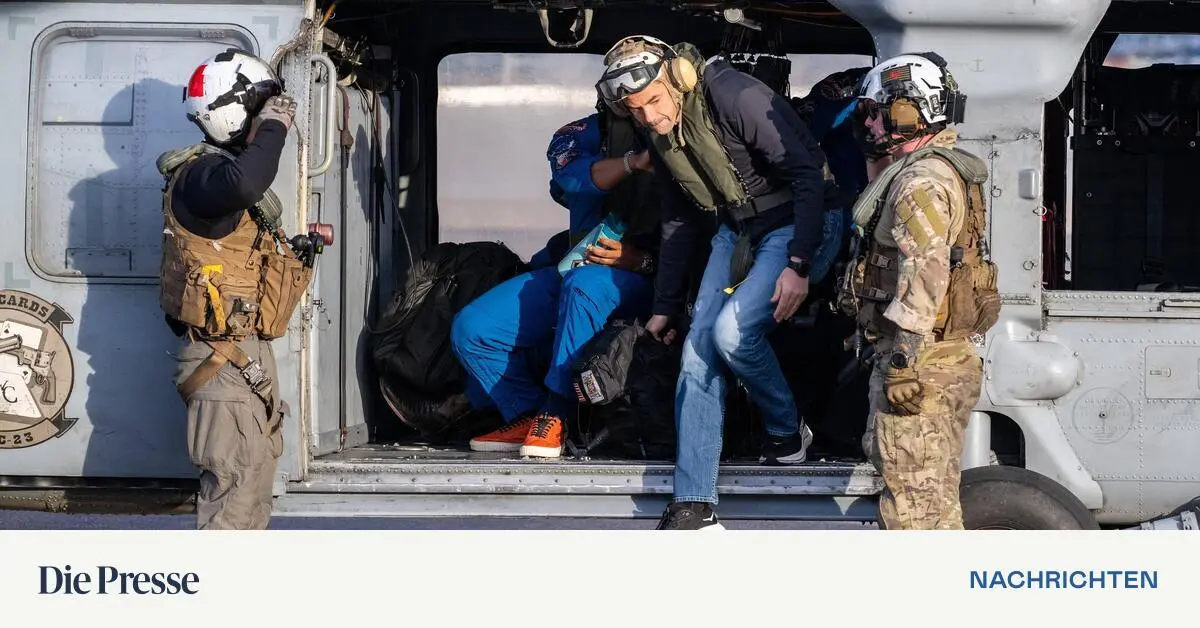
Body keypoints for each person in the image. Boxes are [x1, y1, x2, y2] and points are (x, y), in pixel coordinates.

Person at [595, 35, 829, 530]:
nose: (650, 117)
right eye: (636, 111)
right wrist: (664, 306)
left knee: (731, 333)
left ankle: (787, 431)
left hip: (798, 223)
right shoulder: (658, 134)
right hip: (737, 231)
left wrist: (799, 263)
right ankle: (694, 501)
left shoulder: (733, 95)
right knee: (697, 349)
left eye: (654, 100)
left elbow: (809, 176)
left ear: (677, 77)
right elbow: (678, 219)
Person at [836, 52, 999, 529]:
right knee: (933, 506)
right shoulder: (938, 168)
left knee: (915, 515)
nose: (869, 124)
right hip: (942, 359)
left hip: (921, 364)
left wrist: (902, 363)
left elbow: (925, 274)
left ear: (908, 112)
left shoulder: (920, 182)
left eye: (877, 113)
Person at [450, 104, 661, 459]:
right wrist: (633, 163)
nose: (639, 104)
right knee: (473, 330)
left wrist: (640, 260)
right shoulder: (586, 133)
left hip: (649, 278)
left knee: (584, 283)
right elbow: (572, 176)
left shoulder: (685, 133)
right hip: (579, 266)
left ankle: (556, 414)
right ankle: (529, 415)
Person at [157, 48, 308, 529]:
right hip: (222, 360)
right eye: (259, 109)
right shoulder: (201, 178)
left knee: (252, 491)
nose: (266, 117)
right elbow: (245, 184)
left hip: (242, 356)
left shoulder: (217, 176)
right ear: (234, 112)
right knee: (232, 495)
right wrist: (275, 126)